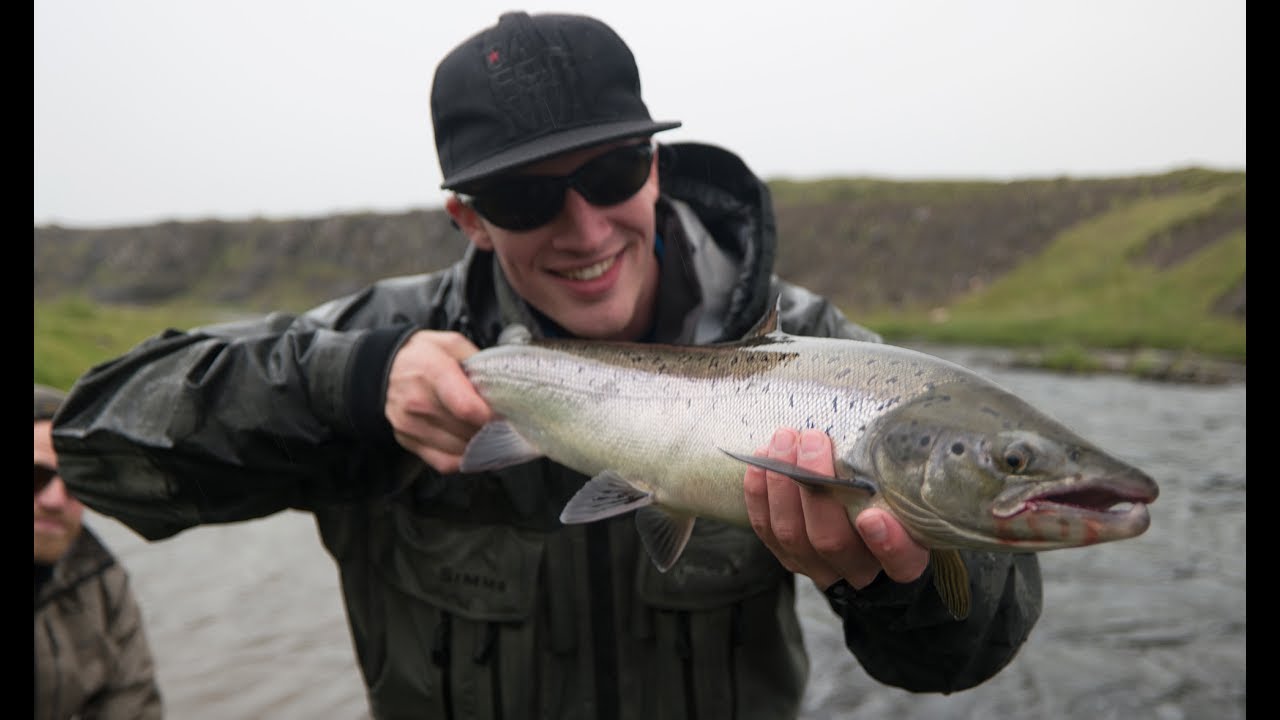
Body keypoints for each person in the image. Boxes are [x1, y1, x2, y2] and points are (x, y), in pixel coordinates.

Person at [52, 11, 1042, 719]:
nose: (581, 229)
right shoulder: (388, 340)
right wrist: (345, 389)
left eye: (609, 173)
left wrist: (897, 580)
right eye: (523, 201)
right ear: (467, 219)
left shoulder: (817, 363)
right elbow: (99, 446)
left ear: (654, 164)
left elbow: (968, 650)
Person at [34, 384, 164, 720]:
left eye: (76, 484)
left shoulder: (103, 580)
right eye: (36, 476)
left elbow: (133, 704)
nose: (55, 500)